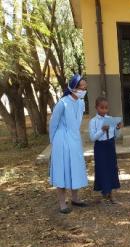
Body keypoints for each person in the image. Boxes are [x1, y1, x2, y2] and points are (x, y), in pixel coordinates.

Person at [49, 74, 88, 214]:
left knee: (75, 168)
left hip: (75, 139)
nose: (84, 90)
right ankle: (62, 203)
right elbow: (53, 124)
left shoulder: (81, 103)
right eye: (82, 87)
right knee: (63, 170)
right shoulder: (62, 103)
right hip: (62, 140)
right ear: (73, 88)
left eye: (85, 87)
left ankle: (75, 198)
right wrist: (53, 142)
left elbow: (76, 123)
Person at [89, 96, 123, 204]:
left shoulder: (110, 119)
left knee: (112, 168)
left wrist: (117, 128)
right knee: (102, 169)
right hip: (100, 147)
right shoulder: (93, 121)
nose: (104, 110)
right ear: (96, 108)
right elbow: (93, 138)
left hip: (110, 145)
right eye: (101, 108)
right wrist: (102, 130)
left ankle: (111, 193)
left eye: (106, 108)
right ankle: (104, 191)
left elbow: (115, 136)